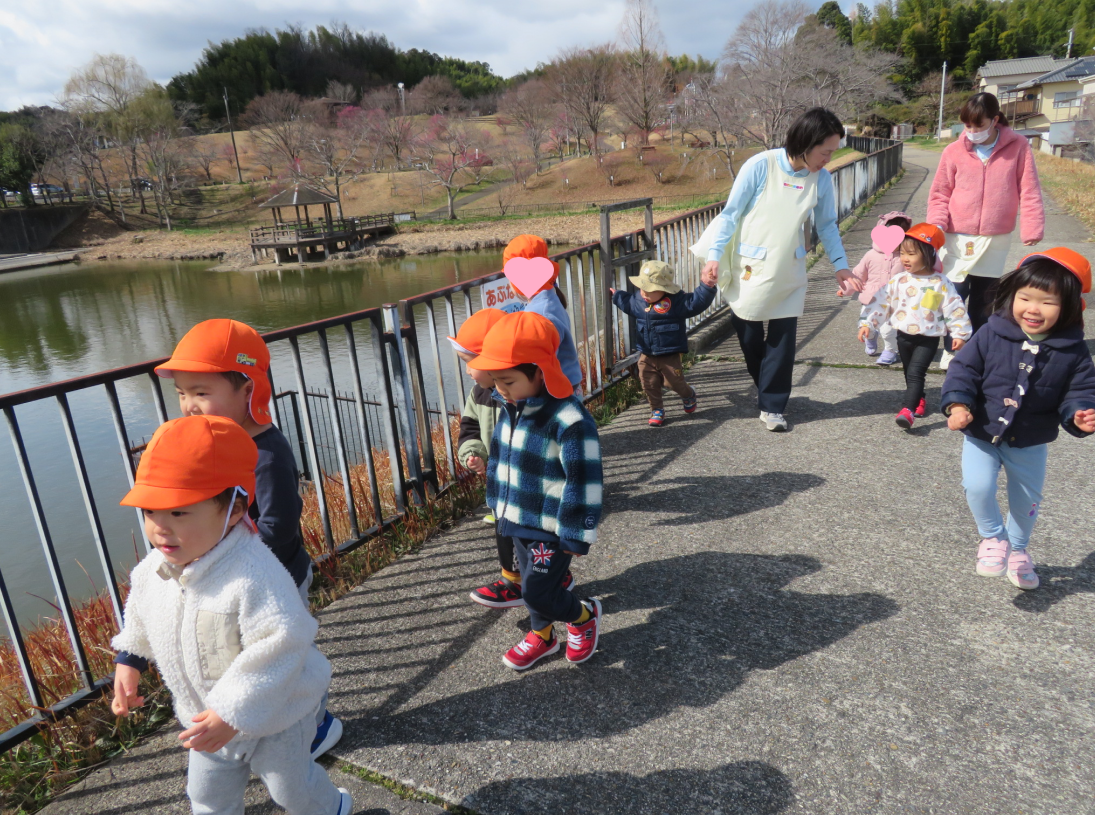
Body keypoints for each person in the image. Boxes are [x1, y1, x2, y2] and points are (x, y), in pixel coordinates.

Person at [112, 318, 342, 760]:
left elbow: (278, 527)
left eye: (202, 393)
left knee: (287, 659)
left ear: (249, 391)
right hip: (221, 579)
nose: (189, 406)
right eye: (181, 393)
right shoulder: (207, 447)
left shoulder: (267, 455)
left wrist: (227, 565)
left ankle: (314, 724)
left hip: (274, 578)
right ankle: (246, 719)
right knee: (239, 659)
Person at [110, 415, 352, 815]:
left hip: (276, 717)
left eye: (180, 514)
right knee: (205, 795)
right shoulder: (156, 568)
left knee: (292, 791)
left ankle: (333, 807)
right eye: (151, 512)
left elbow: (284, 642)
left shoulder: (254, 572)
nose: (160, 530)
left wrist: (232, 711)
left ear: (235, 509)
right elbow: (140, 611)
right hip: (204, 720)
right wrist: (130, 659)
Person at [693, 107, 861, 432]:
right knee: (749, 335)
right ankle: (765, 385)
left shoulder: (821, 178)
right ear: (806, 142)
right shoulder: (761, 166)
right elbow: (730, 215)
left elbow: (827, 225)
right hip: (749, 269)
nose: (828, 159)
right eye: (825, 152)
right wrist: (714, 256)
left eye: (832, 152)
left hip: (789, 269)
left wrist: (841, 265)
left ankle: (773, 405)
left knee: (782, 341)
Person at [941, 248, 1095, 590]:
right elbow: (963, 370)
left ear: (1069, 307)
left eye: (1048, 302)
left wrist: (1079, 414)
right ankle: (994, 538)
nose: (1034, 309)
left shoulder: (1073, 350)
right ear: (1012, 296)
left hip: (1030, 440)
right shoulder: (992, 332)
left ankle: (1019, 551)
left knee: (1026, 500)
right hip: (981, 431)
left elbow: (1080, 391)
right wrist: (957, 405)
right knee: (978, 487)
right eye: (1025, 298)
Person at [468, 311, 603, 671]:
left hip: (551, 524)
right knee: (529, 580)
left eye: (508, 381)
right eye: (496, 380)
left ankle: (583, 615)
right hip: (516, 515)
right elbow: (499, 459)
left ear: (540, 371)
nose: (499, 389)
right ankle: (542, 635)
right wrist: (497, 503)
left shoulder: (570, 420)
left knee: (536, 589)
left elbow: (584, 480)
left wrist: (576, 532)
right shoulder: (509, 407)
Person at [450, 307, 575, 608]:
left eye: (470, 362)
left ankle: (525, 583)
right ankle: (524, 580)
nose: (467, 371)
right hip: (501, 480)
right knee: (507, 530)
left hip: (531, 482)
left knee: (531, 534)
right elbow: (469, 428)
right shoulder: (479, 394)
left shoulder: (524, 394)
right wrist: (473, 453)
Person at [928, 91, 1045, 369]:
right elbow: (940, 193)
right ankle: (951, 348)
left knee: (985, 300)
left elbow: (1029, 190)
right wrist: (936, 226)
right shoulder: (953, 151)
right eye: (967, 126)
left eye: (978, 126)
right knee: (953, 294)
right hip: (957, 235)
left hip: (995, 237)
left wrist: (1032, 227)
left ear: (995, 120)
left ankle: (976, 352)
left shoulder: (1018, 147)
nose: (972, 132)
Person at [858, 223, 972, 429]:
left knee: (916, 373)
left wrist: (960, 333)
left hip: (928, 338)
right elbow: (881, 302)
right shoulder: (899, 280)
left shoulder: (941, 282)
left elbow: (955, 308)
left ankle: (907, 410)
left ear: (929, 254)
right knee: (908, 371)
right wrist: (868, 323)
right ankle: (919, 399)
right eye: (902, 253)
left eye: (911, 254)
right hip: (903, 335)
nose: (905, 259)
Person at [609, 259, 717, 427]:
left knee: (673, 382)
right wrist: (616, 296)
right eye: (642, 288)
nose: (644, 293)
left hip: (669, 353)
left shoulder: (676, 302)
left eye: (650, 290)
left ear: (664, 290)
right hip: (646, 352)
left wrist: (707, 287)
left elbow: (696, 303)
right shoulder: (638, 300)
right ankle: (656, 409)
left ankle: (688, 394)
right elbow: (628, 304)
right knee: (648, 381)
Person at [503, 234, 584, 389]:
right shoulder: (548, 298)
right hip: (566, 385)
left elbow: (538, 359)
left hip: (556, 391)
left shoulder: (540, 313)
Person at [839, 210, 911, 365]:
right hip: (870, 300)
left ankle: (890, 351)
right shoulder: (871, 255)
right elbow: (858, 274)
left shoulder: (906, 257)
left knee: (888, 330)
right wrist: (845, 289)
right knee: (867, 326)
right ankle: (871, 338)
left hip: (894, 303)